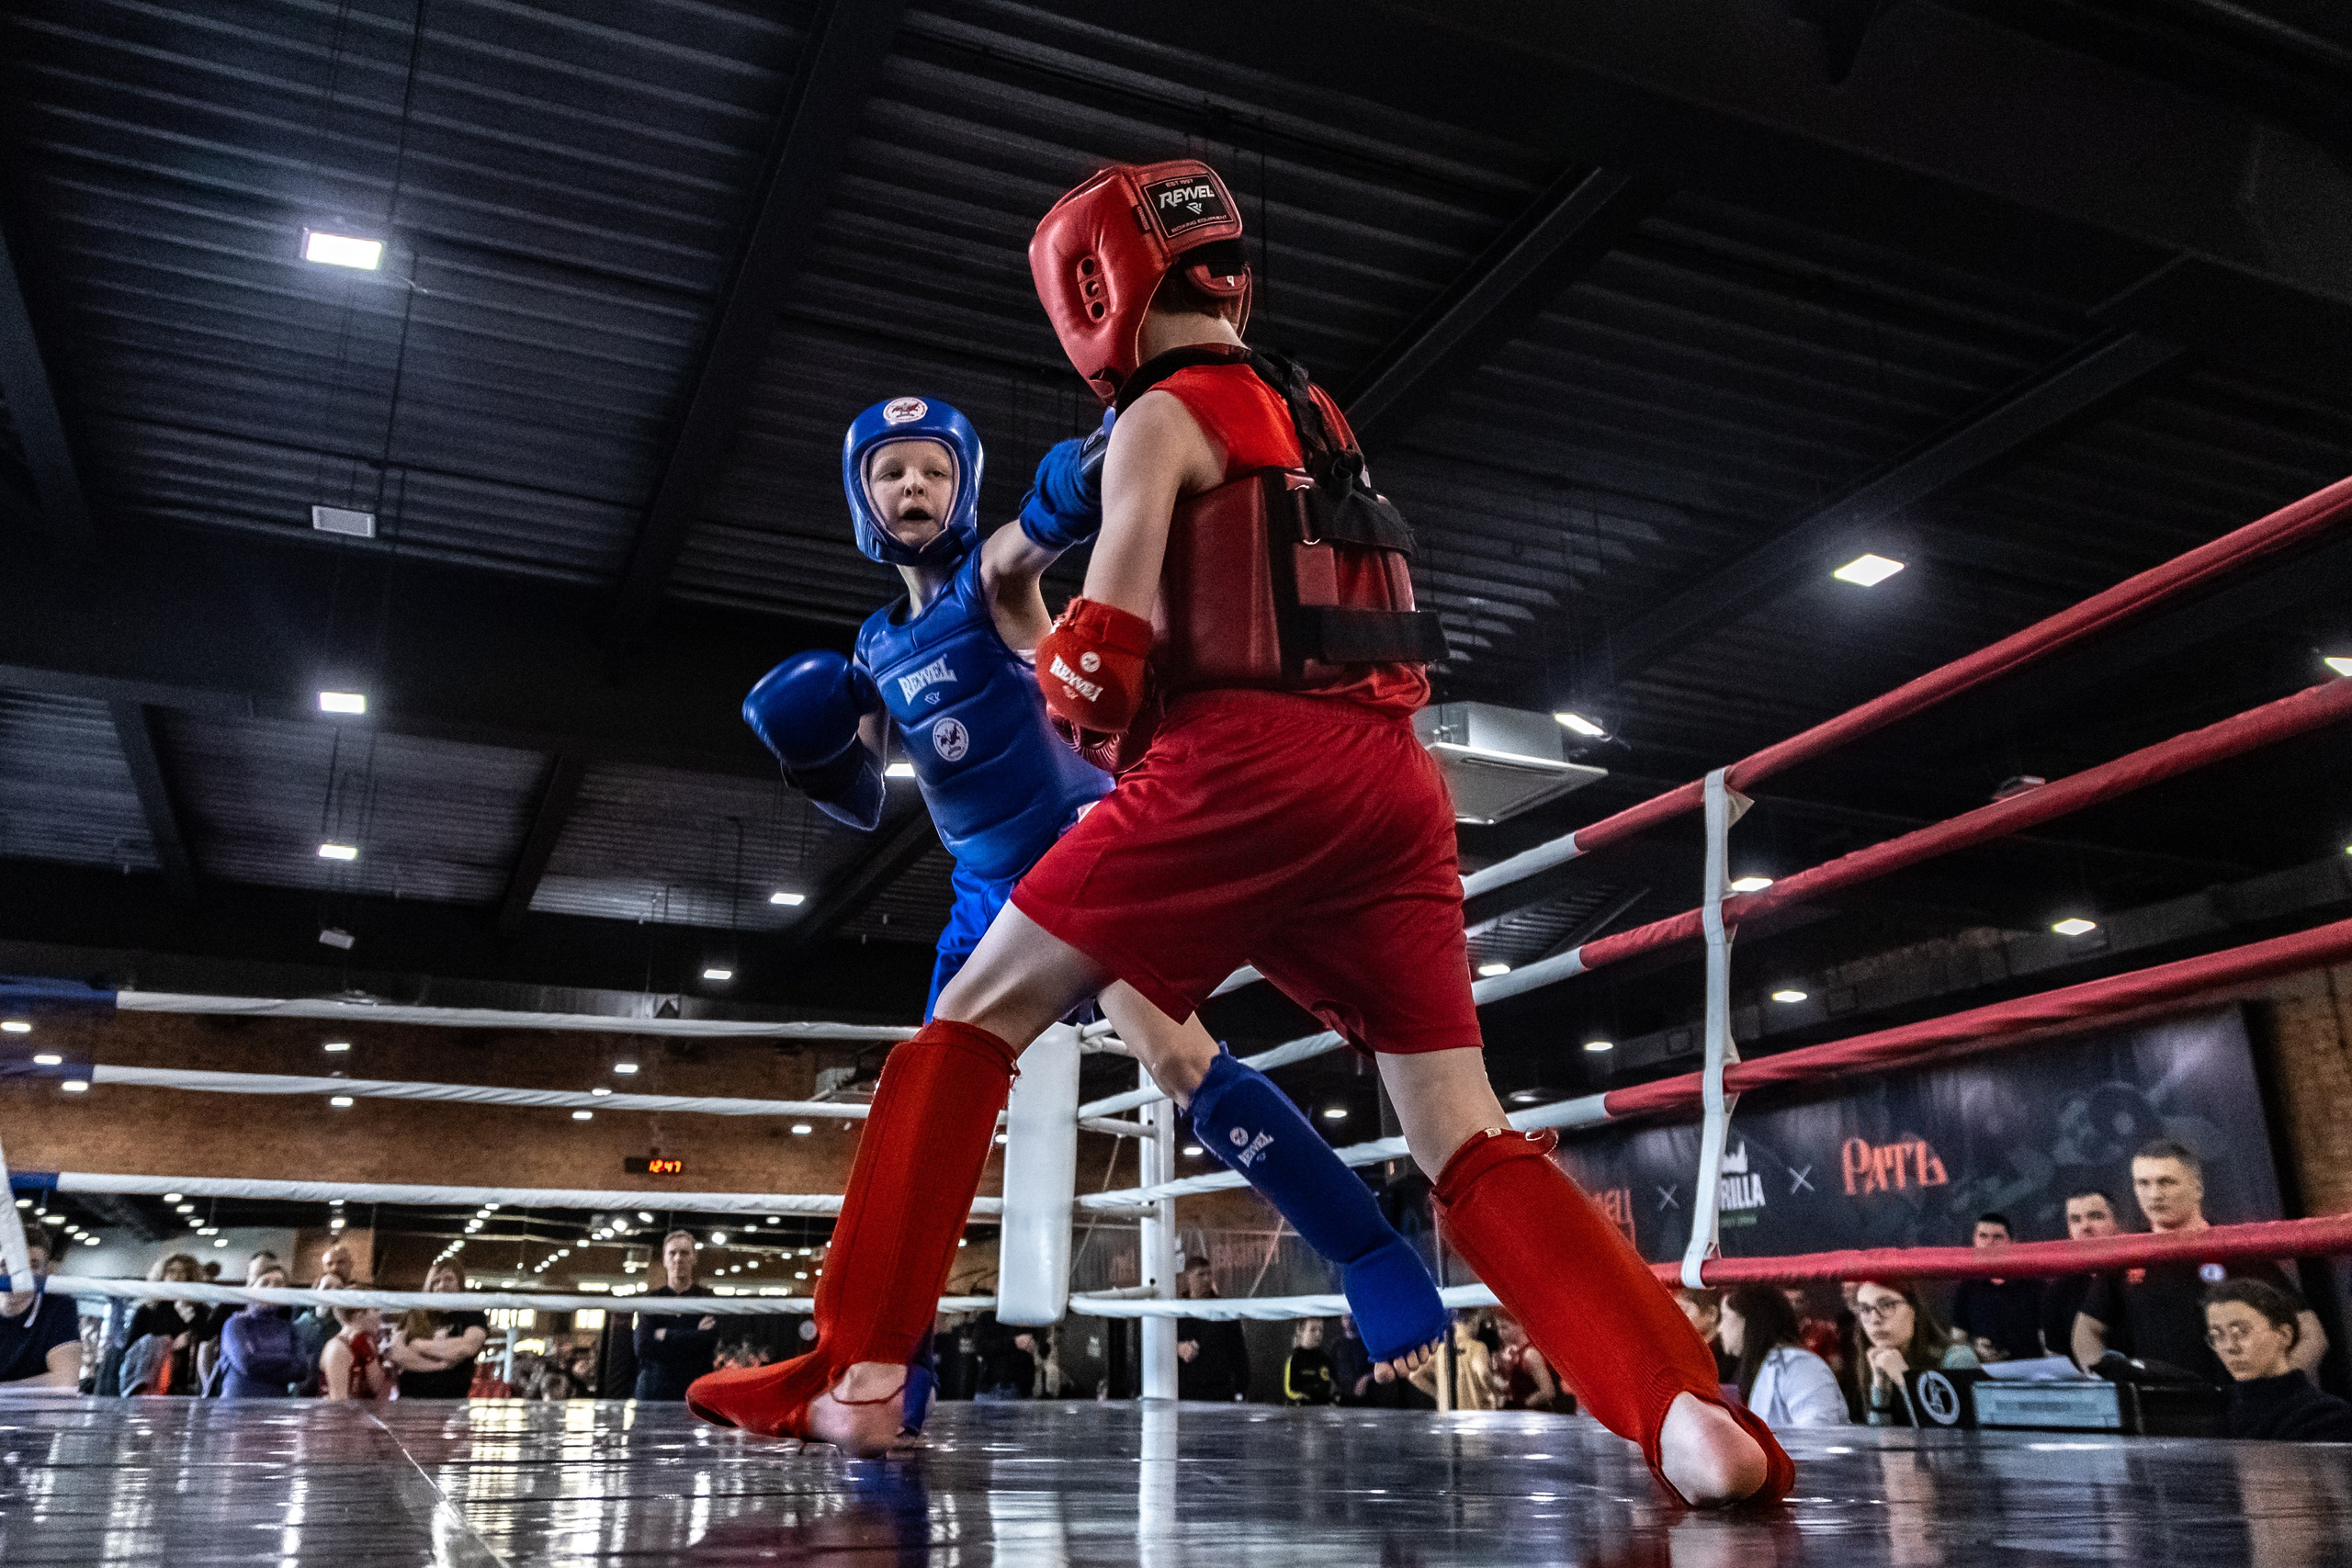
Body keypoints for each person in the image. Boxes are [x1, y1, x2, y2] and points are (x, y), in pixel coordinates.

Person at [685, 157, 1788, 1509]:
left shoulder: (1160, 419)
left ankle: (857, 1371)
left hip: (1234, 773)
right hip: (1392, 785)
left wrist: (1074, 663)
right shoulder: (1319, 407)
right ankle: (1686, 1410)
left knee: (967, 1021)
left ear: (1095, 289)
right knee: (1463, 1129)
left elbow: (1102, 660)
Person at [720, 389, 1445, 1408]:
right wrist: (810, 749)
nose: (914, 487)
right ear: (861, 497)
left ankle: (1368, 1249)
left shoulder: (990, 584)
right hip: (980, 891)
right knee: (927, 1103)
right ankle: (886, 1367)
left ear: (962, 484)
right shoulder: (874, 650)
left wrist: (1082, 476)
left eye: (933, 469)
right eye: (892, 473)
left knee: (1175, 1054)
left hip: (1081, 851)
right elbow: (860, 795)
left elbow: (1029, 548)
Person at [2074, 1139, 2326, 1384]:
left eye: (2166, 1182)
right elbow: (2086, 1331)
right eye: (2143, 1183)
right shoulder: (2128, 1255)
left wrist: (2281, 1388)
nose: (2154, 1194)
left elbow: (2311, 1334)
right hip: (2163, 1409)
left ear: (2197, 1188)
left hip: (2236, 1406)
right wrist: (2106, 1383)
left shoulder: (2236, 1249)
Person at [2206, 1280, 2352, 1440]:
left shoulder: (2326, 1415)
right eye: (2216, 1336)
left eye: (2241, 1332)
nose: (2229, 1347)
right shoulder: (2213, 1410)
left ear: (2284, 1335)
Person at [1850, 1278, 1979, 1427]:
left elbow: (1950, 1438)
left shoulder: (1957, 1357)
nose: (1874, 1319)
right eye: (1865, 1309)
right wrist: (1880, 1389)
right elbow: (1879, 1441)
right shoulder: (1874, 1359)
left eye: (1887, 1305)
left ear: (1914, 1310)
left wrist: (1905, 1379)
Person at [1720, 1286, 1846, 1427]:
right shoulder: (1756, 1367)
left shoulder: (1798, 1366)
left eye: (1725, 1316)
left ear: (1751, 1321)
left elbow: (1816, 1434)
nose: (1720, 1328)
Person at [633, 1231, 718, 1400]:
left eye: (684, 1253)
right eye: (672, 1253)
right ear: (664, 1260)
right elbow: (642, 1347)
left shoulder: (707, 1298)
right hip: (654, 1392)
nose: (678, 1258)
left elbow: (709, 1341)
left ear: (694, 1258)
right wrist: (693, 1336)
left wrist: (665, 1335)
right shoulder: (651, 1299)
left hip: (695, 1391)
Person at [1949, 1213, 2045, 1362]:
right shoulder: (1968, 1285)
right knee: (1960, 1356)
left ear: (2012, 1242)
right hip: (1981, 1367)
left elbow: (2045, 1339)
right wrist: (1975, 1347)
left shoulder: (2034, 1284)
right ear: (1974, 1240)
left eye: (1997, 1237)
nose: (1989, 1243)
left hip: (2026, 1367)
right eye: (1983, 1236)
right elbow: (1957, 1339)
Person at [387, 1260, 489, 1398]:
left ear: (460, 1283)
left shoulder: (472, 1314)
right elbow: (398, 1354)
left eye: (449, 1279)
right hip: (411, 1400)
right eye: (436, 1281)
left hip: (451, 1402)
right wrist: (441, 1364)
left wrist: (418, 1345)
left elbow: (465, 1348)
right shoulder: (415, 1313)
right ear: (429, 1286)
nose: (442, 1285)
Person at [2042, 1189, 2121, 1363]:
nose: (2085, 1227)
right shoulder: (2057, 1291)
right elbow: (2056, 1359)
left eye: (2095, 1216)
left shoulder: (2139, 1277)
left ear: (2116, 1223)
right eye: (2076, 1220)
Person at [217, 1263, 311, 1398]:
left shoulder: (289, 1328)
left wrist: (260, 1358)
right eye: (265, 1282)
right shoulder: (235, 1324)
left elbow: (301, 1370)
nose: (271, 1288)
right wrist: (285, 1358)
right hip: (236, 1410)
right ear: (251, 1288)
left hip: (276, 1409)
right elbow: (247, 1364)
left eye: (278, 1284)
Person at [0, 1235, 82, 1389]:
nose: (17, 1275)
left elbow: (66, 1380)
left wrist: (4, 1390)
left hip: (36, 1409)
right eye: (6, 1264)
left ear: (45, 1273)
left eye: (32, 1266)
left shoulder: (58, 1306)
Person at [125, 1251, 208, 1395]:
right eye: (171, 1271)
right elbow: (131, 1350)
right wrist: (168, 1346)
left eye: (182, 1272)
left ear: (189, 1277)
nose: (176, 1277)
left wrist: (190, 1319)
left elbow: (208, 1338)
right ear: (161, 1275)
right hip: (151, 1382)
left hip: (188, 1383)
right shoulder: (146, 1311)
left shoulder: (199, 1309)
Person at [1174, 1256, 1250, 1402]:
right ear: (1187, 1278)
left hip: (1219, 1393)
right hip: (1184, 1393)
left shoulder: (1224, 1311)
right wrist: (1177, 1348)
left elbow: (1239, 1354)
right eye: (1201, 1275)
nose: (1207, 1279)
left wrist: (1241, 1390)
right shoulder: (1176, 1311)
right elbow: (1156, 1345)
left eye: (1209, 1274)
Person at [1491, 1313, 1566, 1412]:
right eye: (1498, 1328)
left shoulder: (1530, 1354)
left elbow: (1548, 1392)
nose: (1500, 1333)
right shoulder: (1516, 1353)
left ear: (1521, 1326)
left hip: (1535, 1418)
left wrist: (1523, 1404)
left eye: (1505, 1328)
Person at [319, 1303, 388, 1402]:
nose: (380, 1315)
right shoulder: (338, 1348)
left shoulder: (365, 1342)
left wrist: (370, 1358)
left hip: (359, 1414)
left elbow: (379, 1389)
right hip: (340, 1416)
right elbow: (338, 1404)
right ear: (359, 1315)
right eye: (376, 1310)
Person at [1283, 1317, 1338, 1406]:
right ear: (1300, 1332)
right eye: (1313, 1330)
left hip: (1324, 1412)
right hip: (1302, 1412)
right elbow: (1289, 1390)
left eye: (1321, 1330)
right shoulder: (1294, 1360)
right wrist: (1308, 1397)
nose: (1318, 1334)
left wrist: (1333, 1399)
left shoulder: (1326, 1359)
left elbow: (1336, 1386)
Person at [1327, 1314, 1374, 1405]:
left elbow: (1379, 1368)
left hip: (1366, 1397)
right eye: (1346, 1318)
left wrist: (1366, 1378)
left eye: (1351, 1318)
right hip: (1342, 1397)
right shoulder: (1336, 1344)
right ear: (1341, 1320)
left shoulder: (1367, 1343)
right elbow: (1328, 1368)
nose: (1349, 1321)